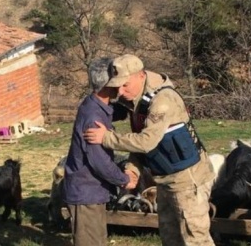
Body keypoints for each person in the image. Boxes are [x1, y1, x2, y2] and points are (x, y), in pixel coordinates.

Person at [83, 54, 215, 246]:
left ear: (140, 75)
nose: (119, 92)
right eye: (117, 86)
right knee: (170, 237)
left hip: (187, 180)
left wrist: (106, 137)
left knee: (195, 239)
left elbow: (146, 142)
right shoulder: (138, 99)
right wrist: (133, 169)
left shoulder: (162, 101)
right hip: (165, 178)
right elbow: (142, 142)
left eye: (125, 85)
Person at [62, 57, 139, 246]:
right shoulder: (93, 117)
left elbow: (112, 111)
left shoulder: (96, 105)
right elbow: (99, 161)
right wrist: (124, 180)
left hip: (90, 191)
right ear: (108, 84)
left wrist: (131, 105)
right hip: (86, 192)